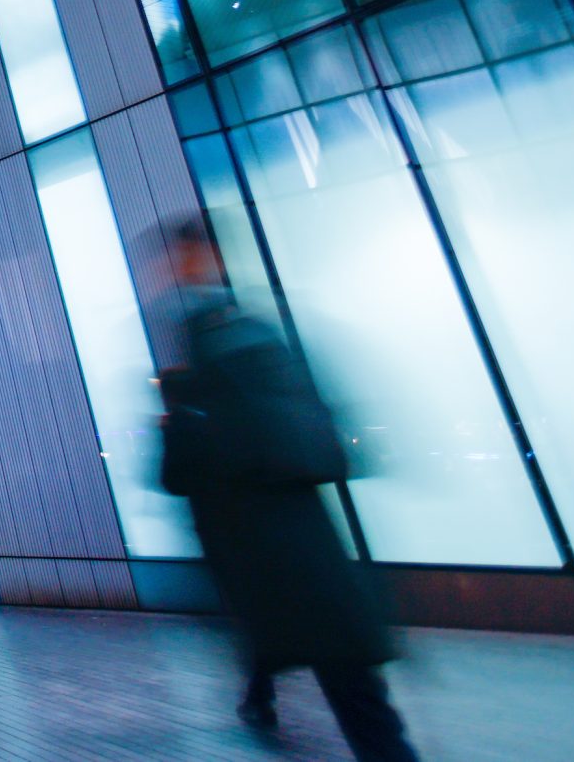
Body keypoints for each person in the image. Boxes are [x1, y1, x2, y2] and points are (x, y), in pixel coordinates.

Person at [160, 222, 420, 762]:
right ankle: (264, 693)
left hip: (268, 552)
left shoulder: (216, 345)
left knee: (347, 688)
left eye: (181, 259)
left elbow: (183, 469)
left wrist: (182, 422)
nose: (173, 272)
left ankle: (264, 695)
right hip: (299, 548)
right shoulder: (258, 336)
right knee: (358, 695)